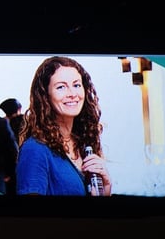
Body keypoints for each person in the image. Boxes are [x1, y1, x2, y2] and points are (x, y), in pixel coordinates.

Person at [16, 56, 112, 196]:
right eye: (61, 87)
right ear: (45, 96)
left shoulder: (84, 144)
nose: (72, 94)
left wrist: (106, 187)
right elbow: (31, 217)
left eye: (77, 85)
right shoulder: (35, 149)